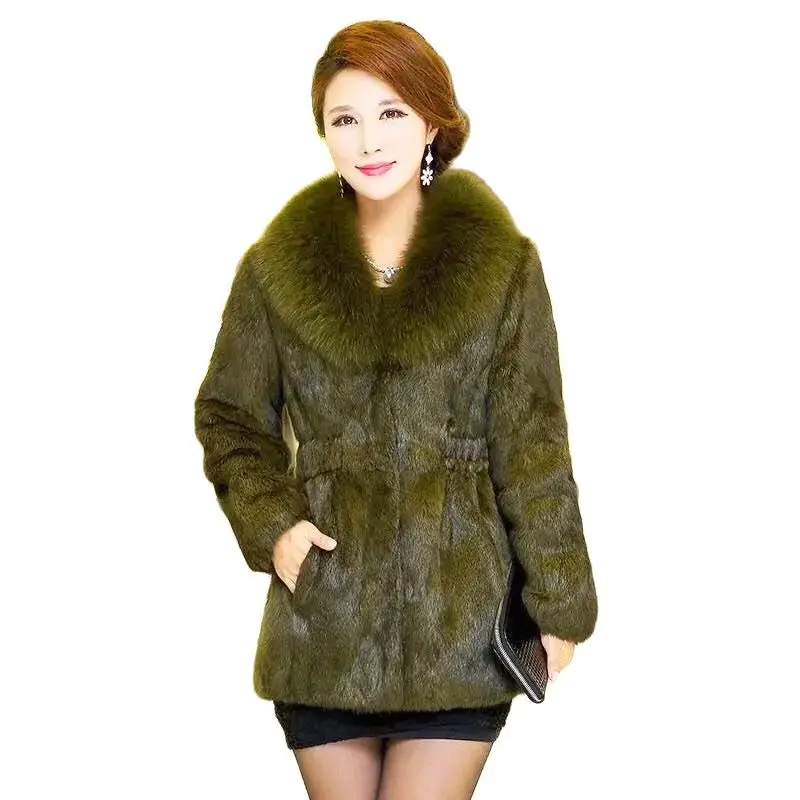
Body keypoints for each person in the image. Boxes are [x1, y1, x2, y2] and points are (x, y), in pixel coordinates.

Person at [193, 19, 598, 800]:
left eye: (392, 112)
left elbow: (533, 441)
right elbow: (229, 416)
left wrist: (559, 599)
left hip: (460, 626)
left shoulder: (504, 268)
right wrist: (275, 525)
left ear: (432, 123)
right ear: (323, 131)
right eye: (344, 118)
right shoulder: (275, 270)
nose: (369, 139)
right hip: (325, 626)